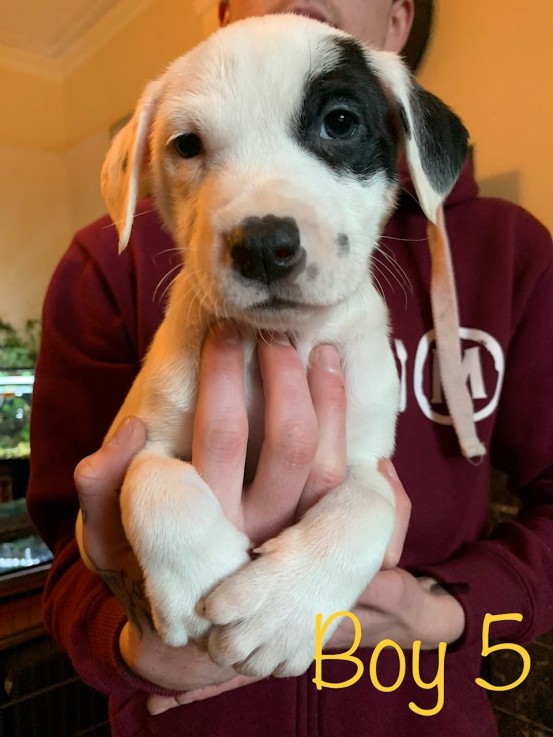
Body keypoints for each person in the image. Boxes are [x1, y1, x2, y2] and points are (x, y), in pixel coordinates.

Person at [26, 1, 553, 735]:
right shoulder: (101, 270)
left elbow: (368, 489)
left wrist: (440, 607)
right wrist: (134, 630)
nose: (263, 232)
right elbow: (88, 519)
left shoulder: (511, 255)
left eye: (338, 124)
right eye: (190, 144)